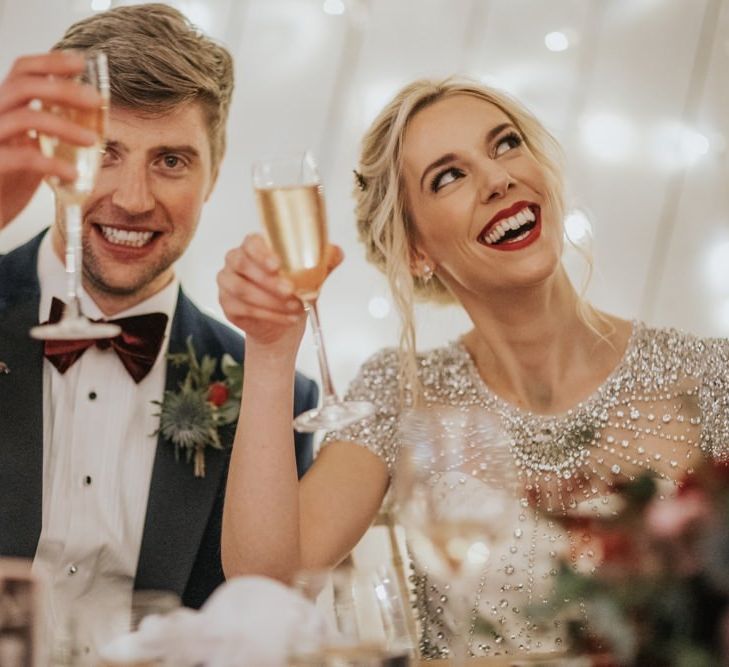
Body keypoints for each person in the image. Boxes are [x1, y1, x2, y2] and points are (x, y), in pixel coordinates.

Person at [218, 75, 729, 660]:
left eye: (506, 144)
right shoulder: (401, 390)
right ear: (415, 252)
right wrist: (270, 350)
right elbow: (265, 580)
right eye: (449, 176)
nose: (497, 178)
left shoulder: (712, 376)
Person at [0, 3, 318, 658]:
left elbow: (259, 626)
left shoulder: (272, 392)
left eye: (170, 160)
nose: (134, 197)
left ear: (213, 177)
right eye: (103, 152)